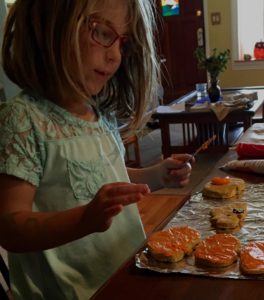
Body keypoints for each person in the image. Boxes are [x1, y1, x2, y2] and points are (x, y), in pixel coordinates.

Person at [0, 0, 193, 299]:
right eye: (102, 32)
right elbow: (9, 226)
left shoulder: (99, 114)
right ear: (50, 27)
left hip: (121, 277)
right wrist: (83, 220)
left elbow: (105, 173)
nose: (115, 55)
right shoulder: (23, 119)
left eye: (124, 42)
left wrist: (156, 175)